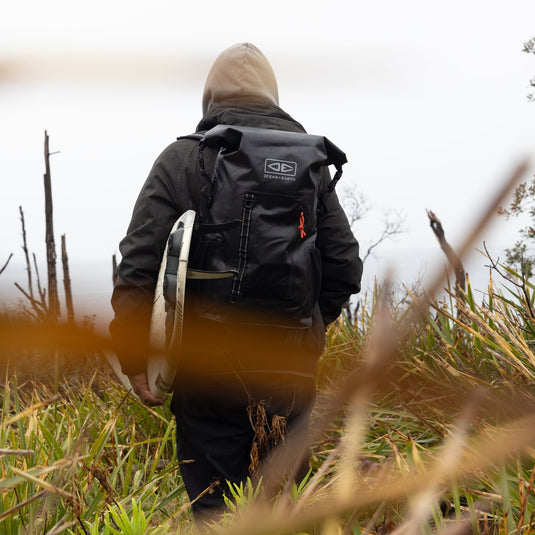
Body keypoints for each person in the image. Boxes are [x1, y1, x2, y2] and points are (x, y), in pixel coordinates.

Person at [109, 42, 363, 519]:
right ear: (273, 94)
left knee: (216, 517)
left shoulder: (183, 159)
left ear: (209, 96)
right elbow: (345, 264)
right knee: (286, 513)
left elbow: (139, 267)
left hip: (207, 371)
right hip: (290, 371)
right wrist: (307, 331)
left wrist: (135, 359)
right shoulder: (311, 164)